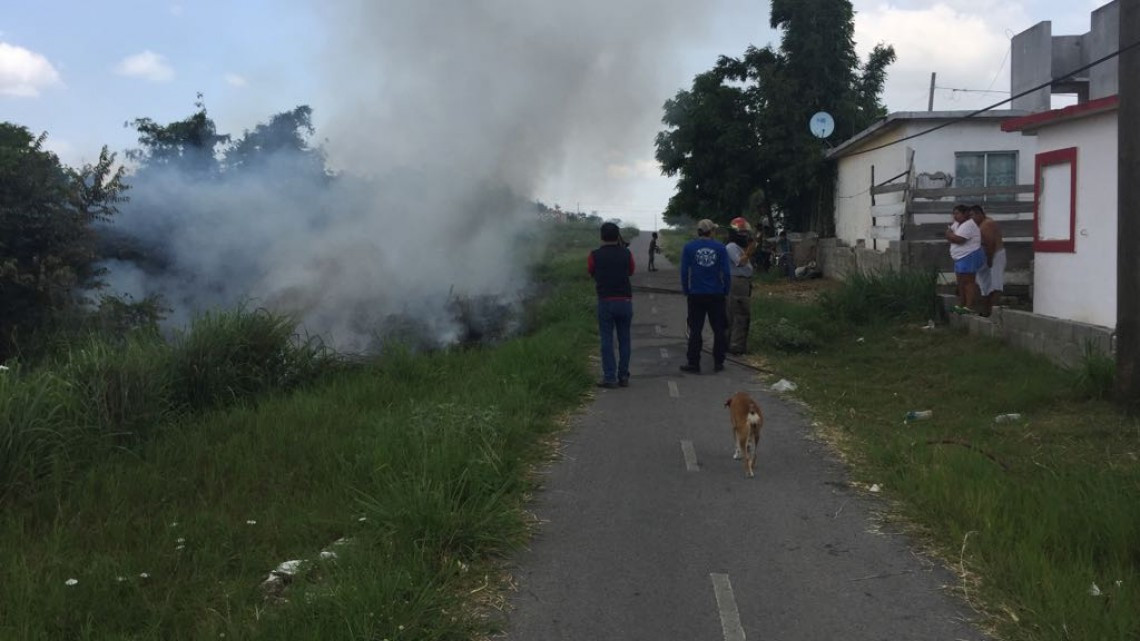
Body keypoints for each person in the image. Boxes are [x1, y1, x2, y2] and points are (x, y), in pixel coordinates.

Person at [679, 218, 731, 373]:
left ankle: (694, 363)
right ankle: (718, 362)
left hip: (696, 294)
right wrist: (726, 290)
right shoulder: (720, 248)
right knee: (719, 329)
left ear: (698, 232)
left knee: (695, 329)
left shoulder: (689, 248)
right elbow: (726, 273)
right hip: (716, 294)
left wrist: (686, 289)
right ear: (712, 231)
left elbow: (684, 272)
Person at [588, 222, 636, 388]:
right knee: (625, 340)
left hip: (606, 302)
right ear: (618, 236)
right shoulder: (626, 253)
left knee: (607, 341)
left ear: (601, 236)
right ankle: (623, 376)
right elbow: (631, 271)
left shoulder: (594, 255)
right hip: (624, 302)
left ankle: (609, 377)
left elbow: (591, 271)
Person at [725, 217, 758, 355]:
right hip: (737, 282)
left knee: (737, 313)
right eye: (743, 233)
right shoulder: (731, 247)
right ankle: (736, 346)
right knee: (740, 314)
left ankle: (733, 344)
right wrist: (750, 249)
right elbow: (741, 262)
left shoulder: (737, 247)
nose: (746, 236)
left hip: (742, 282)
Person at [945, 204, 984, 314]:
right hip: (959, 257)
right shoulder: (957, 224)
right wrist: (949, 234)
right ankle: (961, 304)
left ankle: (969, 306)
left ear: (965, 214)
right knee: (960, 282)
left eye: (957, 213)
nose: (955, 216)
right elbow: (950, 232)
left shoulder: (969, 225)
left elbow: (959, 239)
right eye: (954, 213)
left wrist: (949, 234)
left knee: (968, 281)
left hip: (969, 255)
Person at [971, 204, 1005, 317]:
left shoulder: (986, 225)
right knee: (984, 285)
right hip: (985, 257)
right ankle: (986, 311)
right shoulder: (979, 225)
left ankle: (993, 312)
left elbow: (990, 244)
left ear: (979, 214)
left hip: (994, 256)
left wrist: (989, 260)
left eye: (972, 215)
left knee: (995, 284)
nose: (971, 219)